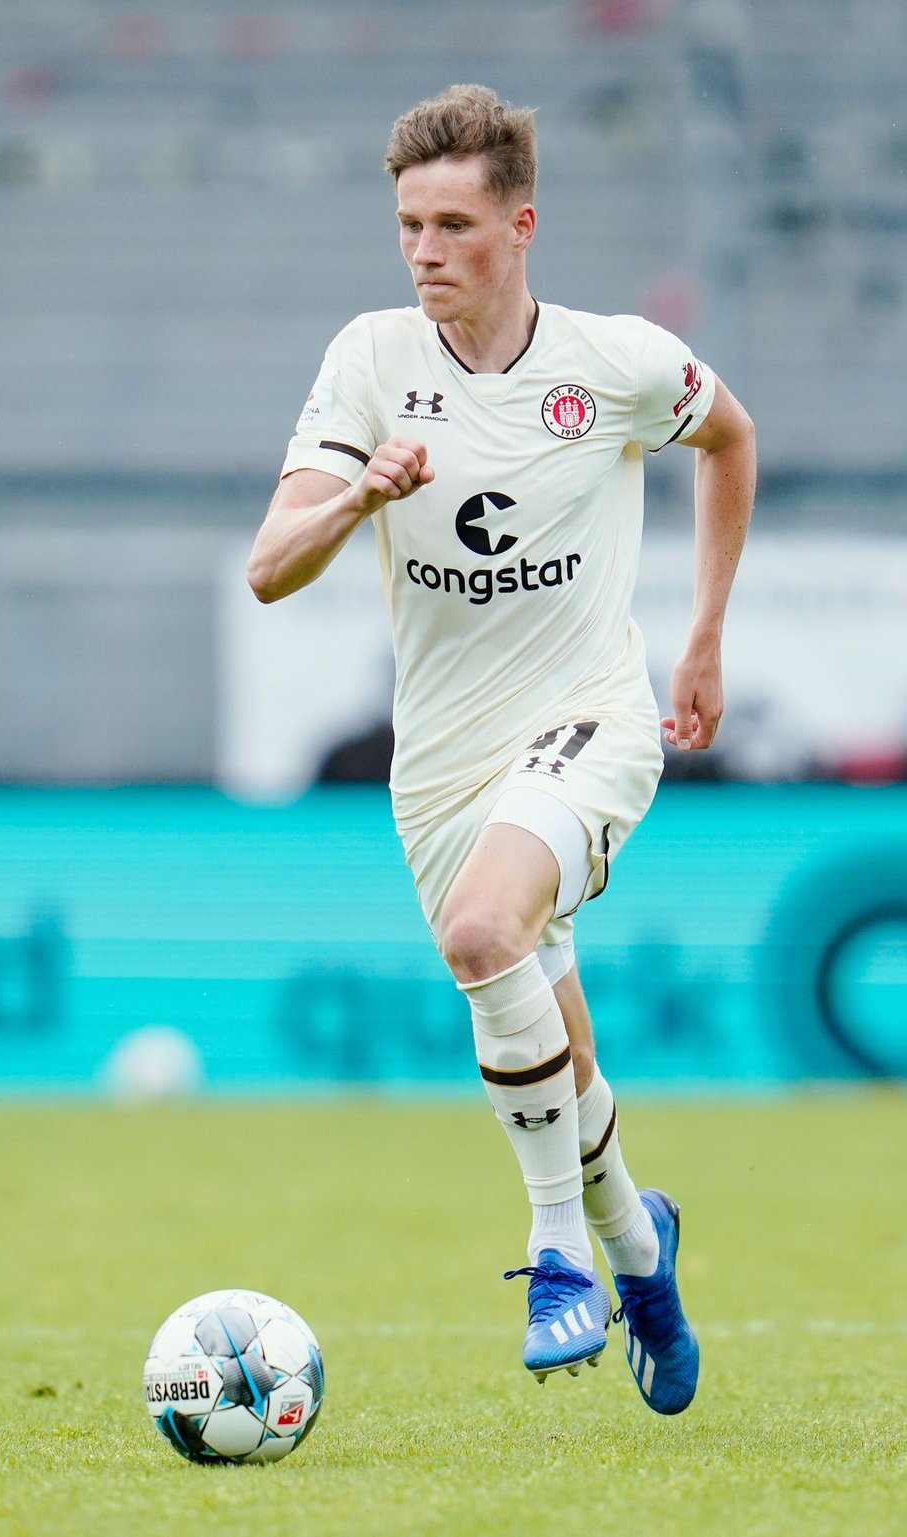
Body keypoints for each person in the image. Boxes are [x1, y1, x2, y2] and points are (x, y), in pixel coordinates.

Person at [247, 84, 755, 1415]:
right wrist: (360, 493)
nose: (424, 252)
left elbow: (729, 435)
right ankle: (641, 1246)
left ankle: (558, 1253)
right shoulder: (371, 361)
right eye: (408, 225)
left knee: (483, 934)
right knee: (548, 1034)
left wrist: (703, 636)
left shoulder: (615, 364)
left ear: (521, 226)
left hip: (592, 717)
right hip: (443, 765)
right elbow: (269, 567)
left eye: (454, 226)